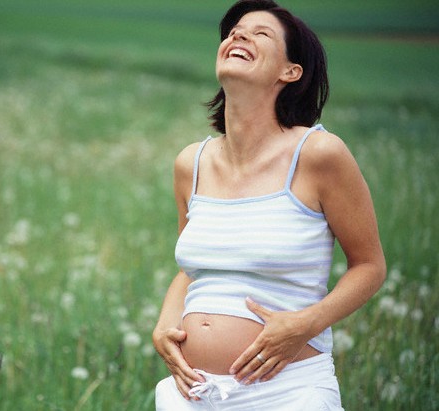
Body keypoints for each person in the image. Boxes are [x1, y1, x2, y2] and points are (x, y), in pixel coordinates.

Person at [152, 0, 386, 409]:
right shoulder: (191, 162)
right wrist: (164, 323)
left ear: (289, 72)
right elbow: (191, 269)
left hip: (288, 391)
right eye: (235, 31)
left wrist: (304, 325)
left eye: (260, 33)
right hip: (192, 394)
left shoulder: (319, 154)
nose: (239, 35)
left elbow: (369, 266)